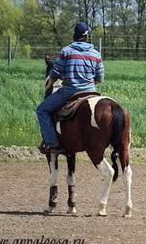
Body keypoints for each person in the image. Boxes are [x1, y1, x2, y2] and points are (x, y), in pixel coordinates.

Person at [36, 22, 104, 153]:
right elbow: (99, 78)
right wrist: (89, 85)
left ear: (75, 35)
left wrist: (50, 84)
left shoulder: (66, 51)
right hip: (91, 91)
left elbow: (55, 73)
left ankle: (52, 144)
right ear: (88, 37)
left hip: (70, 91)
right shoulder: (96, 54)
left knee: (42, 110)